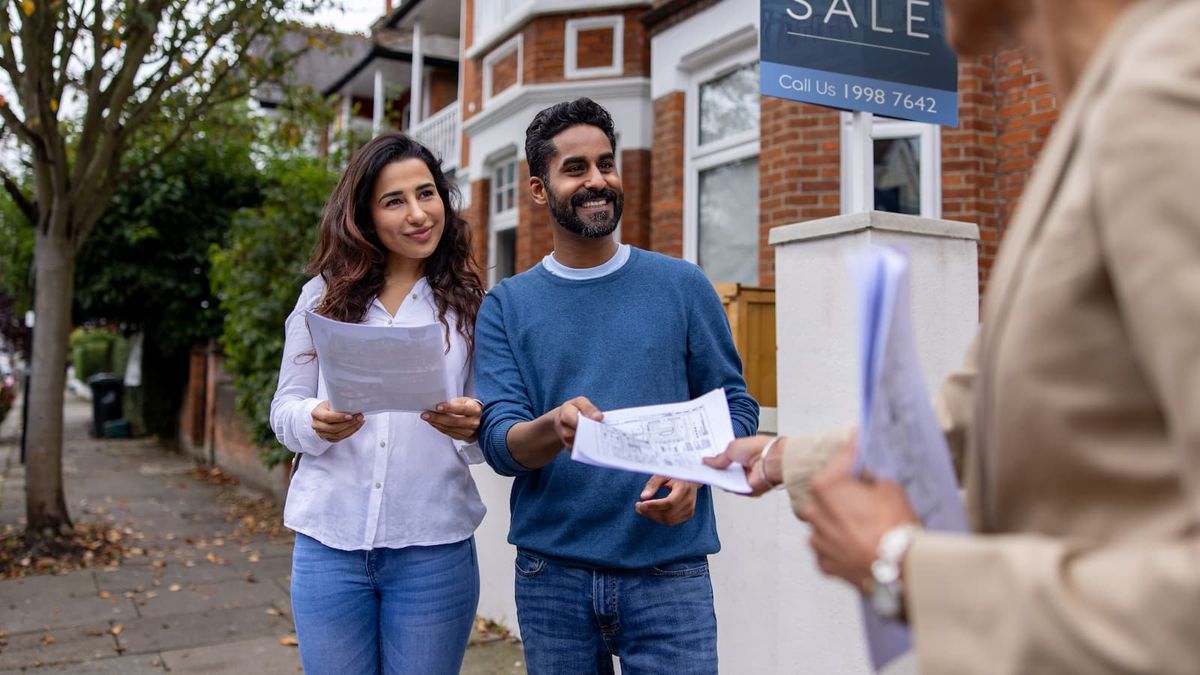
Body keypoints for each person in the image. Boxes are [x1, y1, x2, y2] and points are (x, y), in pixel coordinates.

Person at [708, 0, 1200, 672]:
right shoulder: (1102, 113)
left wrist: (906, 567)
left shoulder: (1170, 92)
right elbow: (975, 415)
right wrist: (778, 457)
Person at [473, 97, 759, 674]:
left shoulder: (682, 285)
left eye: (606, 164)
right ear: (538, 190)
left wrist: (697, 474)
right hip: (551, 576)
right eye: (575, 168)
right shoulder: (506, 305)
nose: (597, 181)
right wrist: (554, 427)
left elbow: (736, 406)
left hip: (669, 573)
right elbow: (500, 445)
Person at [269, 133, 487, 674]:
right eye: (395, 201)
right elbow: (284, 411)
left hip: (433, 547)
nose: (418, 214)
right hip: (329, 544)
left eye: (428, 193)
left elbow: (491, 430)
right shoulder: (321, 297)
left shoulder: (470, 304)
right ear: (365, 215)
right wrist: (315, 422)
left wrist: (473, 425)